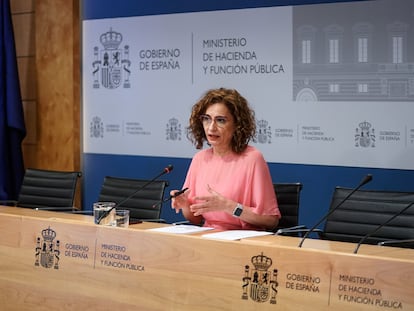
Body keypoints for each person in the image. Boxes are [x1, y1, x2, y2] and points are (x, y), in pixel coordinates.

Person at [170, 88, 280, 231]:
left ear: (237, 125)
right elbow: (196, 218)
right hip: (209, 238)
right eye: (206, 119)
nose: (211, 127)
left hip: (243, 241)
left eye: (220, 120)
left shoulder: (252, 158)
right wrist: (185, 205)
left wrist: (229, 206)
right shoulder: (200, 159)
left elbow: (271, 220)